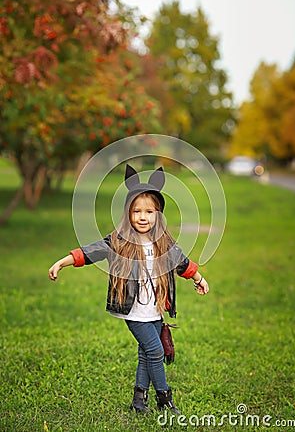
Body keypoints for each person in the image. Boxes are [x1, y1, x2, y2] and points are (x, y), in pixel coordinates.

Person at [48, 164, 209, 415]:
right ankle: (164, 399)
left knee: (146, 354)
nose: (143, 217)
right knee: (155, 351)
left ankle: (138, 401)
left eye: (149, 211)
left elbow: (182, 263)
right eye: (136, 211)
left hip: (155, 310)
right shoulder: (119, 241)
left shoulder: (163, 242)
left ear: (158, 214)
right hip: (133, 311)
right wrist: (62, 262)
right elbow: (89, 253)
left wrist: (199, 278)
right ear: (128, 214)